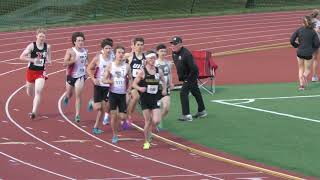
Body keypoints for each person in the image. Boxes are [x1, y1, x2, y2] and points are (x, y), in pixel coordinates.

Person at [132, 50, 167, 150]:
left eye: (154, 58)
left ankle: (150, 131)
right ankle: (146, 141)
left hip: (155, 98)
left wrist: (164, 89)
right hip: (145, 99)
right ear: (146, 59)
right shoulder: (142, 71)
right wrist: (139, 88)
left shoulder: (158, 70)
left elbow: (163, 81)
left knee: (156, 120)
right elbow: (133, 84)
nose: (152, 60)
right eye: (150, 58)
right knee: (147, 121)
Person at [170, 36, 207, 121]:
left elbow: (194, 69)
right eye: (172, 44)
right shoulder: (174, 53)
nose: (173, 46)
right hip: (185, 76)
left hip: (191, 75)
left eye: (175, 44)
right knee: (195, 91)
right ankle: (202, 111)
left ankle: (186, 115)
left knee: (183, 92)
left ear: (180, 44)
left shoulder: (186, 54)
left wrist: (188, 79)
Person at [19, 28, 51, 119]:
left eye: (43, 36)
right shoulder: (31, 46)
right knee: (29, 92)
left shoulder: (47, 46)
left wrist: (49, 60)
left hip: (41, 72)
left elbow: (49, 55)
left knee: (38, 90)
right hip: (31, 71)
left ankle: (33, 112)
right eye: (40, 36)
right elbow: (21, 57)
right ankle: (28, 87)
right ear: (36, 36)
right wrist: (33, 60)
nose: (42, 38)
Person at [103, 45, 131, 143]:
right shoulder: (110, 65)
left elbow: (130, 78)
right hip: (113, 94)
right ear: (115, 54)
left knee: (122, 116)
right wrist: (110, 81)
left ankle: (123, 120)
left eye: (122, 53)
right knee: (114, 116)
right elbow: (103, 79)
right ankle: (115, 135)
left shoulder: (127, 66)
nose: (121, 54)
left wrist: (129, 89)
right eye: (119, 52)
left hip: (122, 94)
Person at [86, 38, 113, 134]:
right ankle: (92, 102)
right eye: (106, 48)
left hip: (108, 86)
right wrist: (93, 79)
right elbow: (89, 68)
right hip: (98, 84)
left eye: (110, 48)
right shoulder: (98, 58)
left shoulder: (113, 59)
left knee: (102, 109)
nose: (108, 50)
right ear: (103, 49)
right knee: (98, 107)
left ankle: (95, 127)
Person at [62, 32, 88, 122]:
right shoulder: (70, 51)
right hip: (71, 76)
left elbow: (86, 61)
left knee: (78, 96)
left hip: (81, 76)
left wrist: (86, 65)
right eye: (79, 41)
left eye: (82, 40)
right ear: (74, 42)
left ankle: (77, 115)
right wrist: (73, 60)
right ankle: (66, 97)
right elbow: (64, 63)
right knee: (69, 94)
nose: (81, 42)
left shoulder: (85, 51)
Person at [290, 16, 320, 90]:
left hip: (299, 52)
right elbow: (317, 43)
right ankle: (304, 76)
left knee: (300, 68)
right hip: (308, 53)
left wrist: (297, 45)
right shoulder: (313, 32)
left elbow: (291, 40)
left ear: (303, 23)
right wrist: (312, 48)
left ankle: (301, 86)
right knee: (308, 69)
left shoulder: (299, 30)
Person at [126, 37, 146, 129]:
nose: (140, 47)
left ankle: (128, 114)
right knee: (135, 97)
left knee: (138, 101)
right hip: (131, 83)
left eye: (141, 45)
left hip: (142, 83)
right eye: (138, 45)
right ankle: (128, 117)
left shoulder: (146, 58)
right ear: (133, 46)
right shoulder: (129, 56)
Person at [155, 44, 174, 130]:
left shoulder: (168, 63)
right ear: (157, 52)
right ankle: (156, 122)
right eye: (161, 51)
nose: (163, 53)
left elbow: (170, 74)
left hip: (165, 88)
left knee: (166, 108)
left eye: (164, 51)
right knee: (156, 108)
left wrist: (171, 83)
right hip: (155, 89)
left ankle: (159, 120)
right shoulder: (154, 63)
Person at [310, 9, 320, 82]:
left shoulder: (308, 21)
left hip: (308, 40)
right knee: (315, 59)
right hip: (315, 41)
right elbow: (317, 30)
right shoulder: (318, 22)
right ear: (317, 15)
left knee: (307, 58)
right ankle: (314, 76)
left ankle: (304, 74)